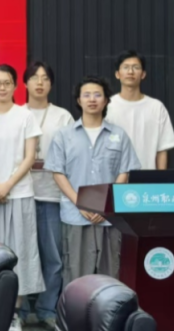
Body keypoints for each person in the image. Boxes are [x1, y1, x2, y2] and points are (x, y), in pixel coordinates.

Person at [46, 77, 139, 283]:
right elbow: (58, 173)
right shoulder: (64, 135)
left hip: (110, 217)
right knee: (76, 274)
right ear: (79, 100)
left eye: (97, 95)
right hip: (75, 214)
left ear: (106, 100)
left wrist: (106, 206)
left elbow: (124, 172)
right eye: (86, 95)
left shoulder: (119, 135)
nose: (92, 99)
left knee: (111, 273)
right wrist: (80, 202)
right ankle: (75, 306)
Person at [0, 64, 44, 330]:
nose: (2, 88)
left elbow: (30, 156)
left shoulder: (25, 116)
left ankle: (12, 314)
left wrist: (8, 185)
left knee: (19, 253)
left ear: (15, 86)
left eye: (7, 83)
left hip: (19, 193)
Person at [20, 61, 75, 329]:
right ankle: (19, 310)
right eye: (34, 77)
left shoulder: (63, 116)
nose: (39, 83)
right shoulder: (17, 113)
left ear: (51, 84)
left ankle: (46, 309)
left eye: (45, 78)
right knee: (20, 252)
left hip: (52, 195)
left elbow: (72, 155)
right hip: (21, 193)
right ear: (25, 83)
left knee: (53, 256)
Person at [106, 50, 174, 170]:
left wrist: (161, 178)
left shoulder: (156, 107)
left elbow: (162, 149)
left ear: (143, 74)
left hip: (147, 178)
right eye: (125, 67)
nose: (130, 72)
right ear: (117, 74)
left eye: (136, 67)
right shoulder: (107, 107)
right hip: (114, 177)